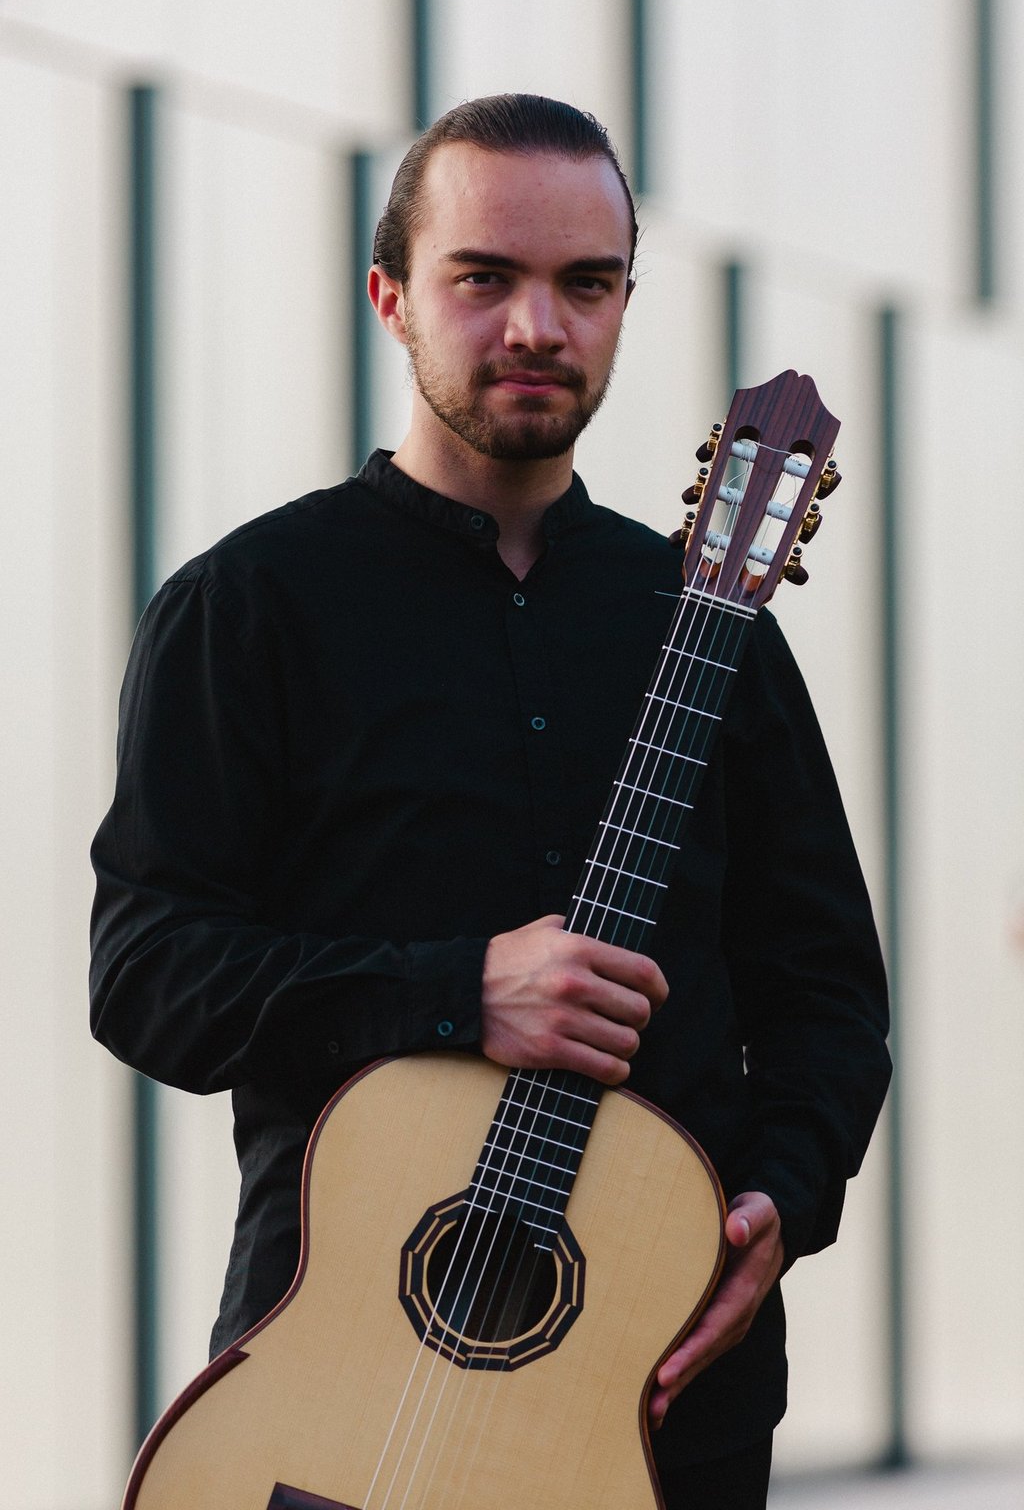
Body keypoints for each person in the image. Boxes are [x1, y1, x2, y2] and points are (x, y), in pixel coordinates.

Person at [90, 94, 890, 1509]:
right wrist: (462, 990)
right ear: (393, 295)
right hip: (334, 1392)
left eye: (586, 284)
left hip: (660, 1404)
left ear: (626, 305)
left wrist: (781, 1201)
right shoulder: (251, 610)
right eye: (486, 277)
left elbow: (825, 994)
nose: (539, 325)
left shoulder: (712, 624)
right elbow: (149, 975)